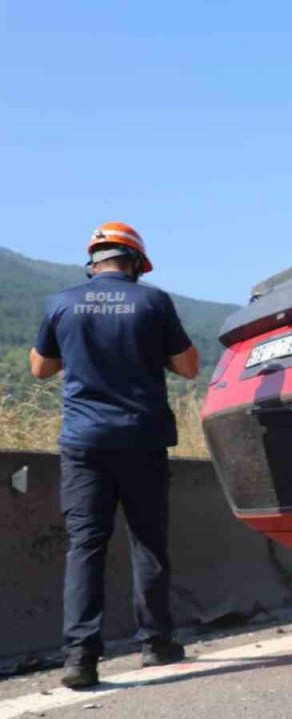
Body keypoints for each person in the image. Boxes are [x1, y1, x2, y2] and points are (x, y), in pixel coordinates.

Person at [29, 222, 200, 690]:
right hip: (142, 441)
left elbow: (40, 369)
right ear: (137, 264)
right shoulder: (152, 302)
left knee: (85, 547)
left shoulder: (61, 303)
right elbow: (188, 367)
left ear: (93, 262)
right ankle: (155, 643)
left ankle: (80, 658)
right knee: (148, 542)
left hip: (84, 444)